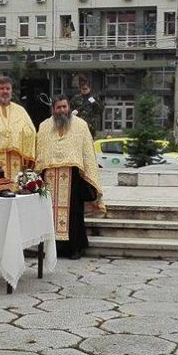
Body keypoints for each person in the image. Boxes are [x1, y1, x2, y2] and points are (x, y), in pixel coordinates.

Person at [36, 95, 105, 259]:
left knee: (74, 213)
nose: (62, 110)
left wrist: (89, 174)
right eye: (58, 107)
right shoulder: (44, 126)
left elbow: (87, 152)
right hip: (50, 177)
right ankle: (54, 248)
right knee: (50, 213)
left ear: (69, 107)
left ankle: (75, 248)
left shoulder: (81, 125)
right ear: (53, 109)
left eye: (64, 107)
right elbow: (40, 152)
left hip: (73, 177)